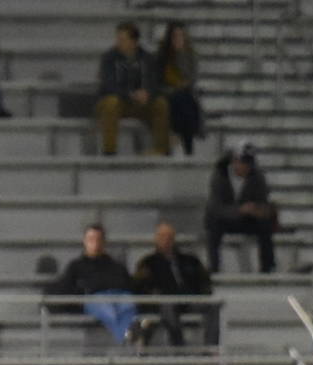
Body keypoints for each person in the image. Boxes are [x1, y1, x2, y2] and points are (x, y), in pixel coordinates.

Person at [46, 224, 137, 345]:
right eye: (91, 239)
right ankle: (127, 334)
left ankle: (129, 333)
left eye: (98, 239)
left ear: (104, 242)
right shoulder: (76, 266)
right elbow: (66, 288)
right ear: (85, 241)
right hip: (94, 299)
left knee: (128, 302)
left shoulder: (115, 265)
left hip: (117, 297)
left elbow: (127, 284)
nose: (95, 243)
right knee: (107, 309)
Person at [131, 220, 216, 348]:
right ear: (156, 239)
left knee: (214, 307)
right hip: (164, 302)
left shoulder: (190, 260)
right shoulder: (147, 263)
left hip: (189, 301)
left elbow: (205, 282)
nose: (166, 240)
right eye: (162, 236)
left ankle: (211, 348)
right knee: (167, 306)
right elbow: (140, 287)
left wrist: (202, 294)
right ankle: (178, 346)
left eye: (169, 236)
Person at [96, 22, 171, 157]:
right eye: (118, 39)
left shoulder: (148, 58)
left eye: (123, 39)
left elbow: (155, 83)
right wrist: (131, 95)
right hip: (119, 101)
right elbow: (108, 85)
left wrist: (147, 93)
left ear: (134, 41)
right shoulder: (108, 58)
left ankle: (161, 150)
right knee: (111, 103)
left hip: (140, 103)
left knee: (161, 104)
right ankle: (109, 152)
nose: (118, 42)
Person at [206, 145, 277, 275]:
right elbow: (216, 208)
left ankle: (268, 267)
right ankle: (214, 267)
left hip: (247, 220)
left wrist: (258, 210)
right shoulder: (220, 176)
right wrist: (239, 210)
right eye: (242, 162)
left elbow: (264, 202)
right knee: (213, 225)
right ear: (234, 161)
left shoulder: (257, 177)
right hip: (225, 219)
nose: (245, 167)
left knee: (265, 225)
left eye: (248, 164)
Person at [157, 22, 203, 158]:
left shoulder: (190, 56)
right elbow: (158, 81)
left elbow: (191, 79)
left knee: (185, 100)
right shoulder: (162, 56)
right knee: (181, 101)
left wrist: (180, 55)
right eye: (175, 36)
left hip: (185, 96)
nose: (178, 39)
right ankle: (186, 148)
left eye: (181, 36)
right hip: (167, 94)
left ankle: (181, 143)